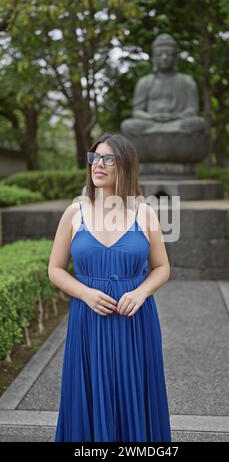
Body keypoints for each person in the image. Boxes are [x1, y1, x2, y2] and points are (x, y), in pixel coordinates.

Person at [48, 132, 172, 442]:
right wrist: (85, 293)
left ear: (125, 166)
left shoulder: (145, 213)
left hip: (135, 321)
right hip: (88, 319)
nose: (97, 164)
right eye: (94, 157)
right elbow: (55, 269)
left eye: (107, 159)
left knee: (134, 392)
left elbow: (162, 267)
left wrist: (142, 291)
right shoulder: (73, 213)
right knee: (88, 391)